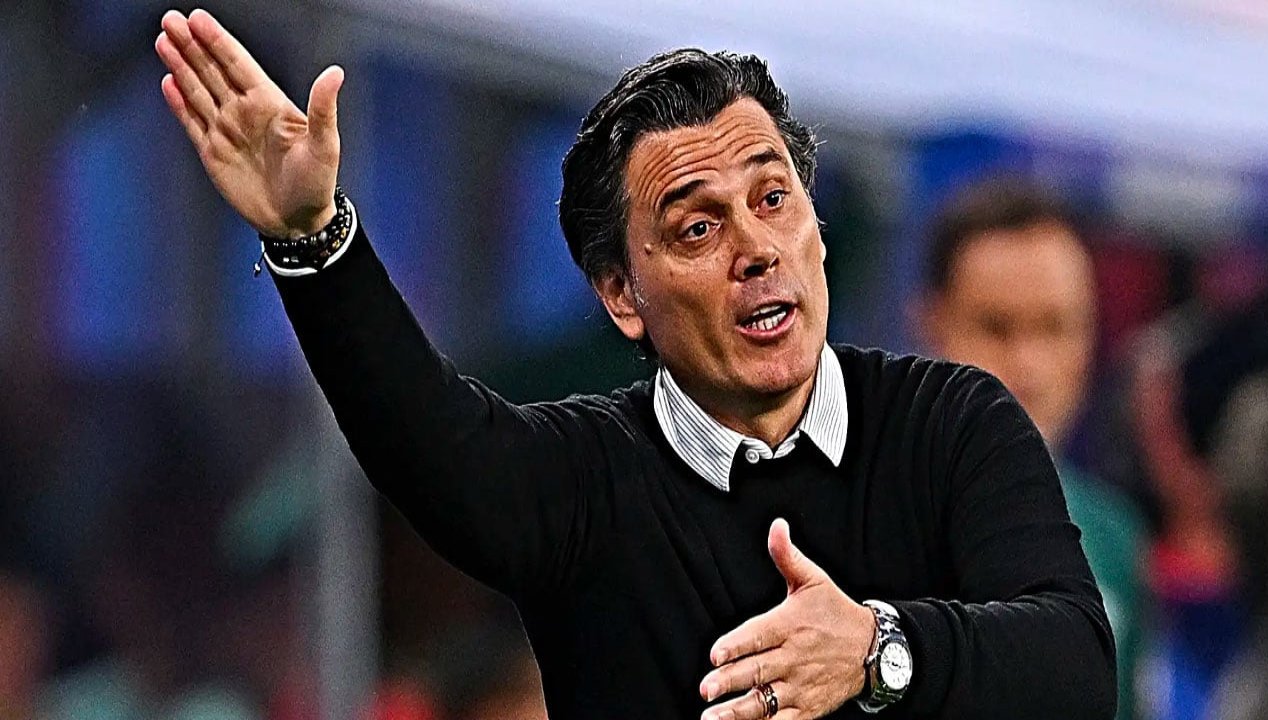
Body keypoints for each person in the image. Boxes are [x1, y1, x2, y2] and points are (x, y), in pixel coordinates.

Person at [154, 9, 1116, 719]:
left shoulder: (954, 422)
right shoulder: (584, 481)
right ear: (622, 295)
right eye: (698, 227)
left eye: (774, 199)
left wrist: (876, 647)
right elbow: (429, 443)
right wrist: (313, 237)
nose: (757, 248)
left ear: (818, 231)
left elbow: (1076, 663)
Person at [915, 178, 1148, 720]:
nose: (1028, 365)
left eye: (1055, 327)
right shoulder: (859, 514)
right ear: (932, 325)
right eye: (996, 328)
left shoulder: (1114, 541)